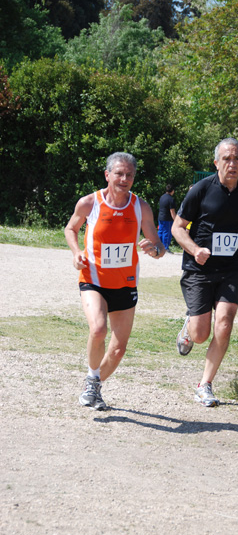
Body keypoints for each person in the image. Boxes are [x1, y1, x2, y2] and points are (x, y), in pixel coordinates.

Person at [172, 138, 238, 407]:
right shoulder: (201, 190)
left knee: (225, 322)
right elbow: (178, 228)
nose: (232, 163)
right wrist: (194, 249)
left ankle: (205, 385)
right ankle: (190, 329)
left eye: (237, 158)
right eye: (226, 158)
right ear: (216, 162)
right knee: (202, 333)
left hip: (231, 269)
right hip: (199, 268)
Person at [65, 152, 165, 410]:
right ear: (107, 175)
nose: (124, 179)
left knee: (118, 349)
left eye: (129, 175)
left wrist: (153, 249)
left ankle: (93, 383)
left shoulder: (140, 207)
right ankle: (92, 382)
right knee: (98, 329)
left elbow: (159, 246)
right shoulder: (89, 203)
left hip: (125, 283)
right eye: (119, 173)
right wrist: (77, 252)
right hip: (93, 278)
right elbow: (70, 228)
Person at [157, 184, 176, 252]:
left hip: (160, 217)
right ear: (172, 191)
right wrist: (176, 220)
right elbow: (172, 211)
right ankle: (165, 247)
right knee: (167, 233)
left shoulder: (162, 197)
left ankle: (158, 246)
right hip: (167, 218)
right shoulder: (171, 199)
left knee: (160, 231)